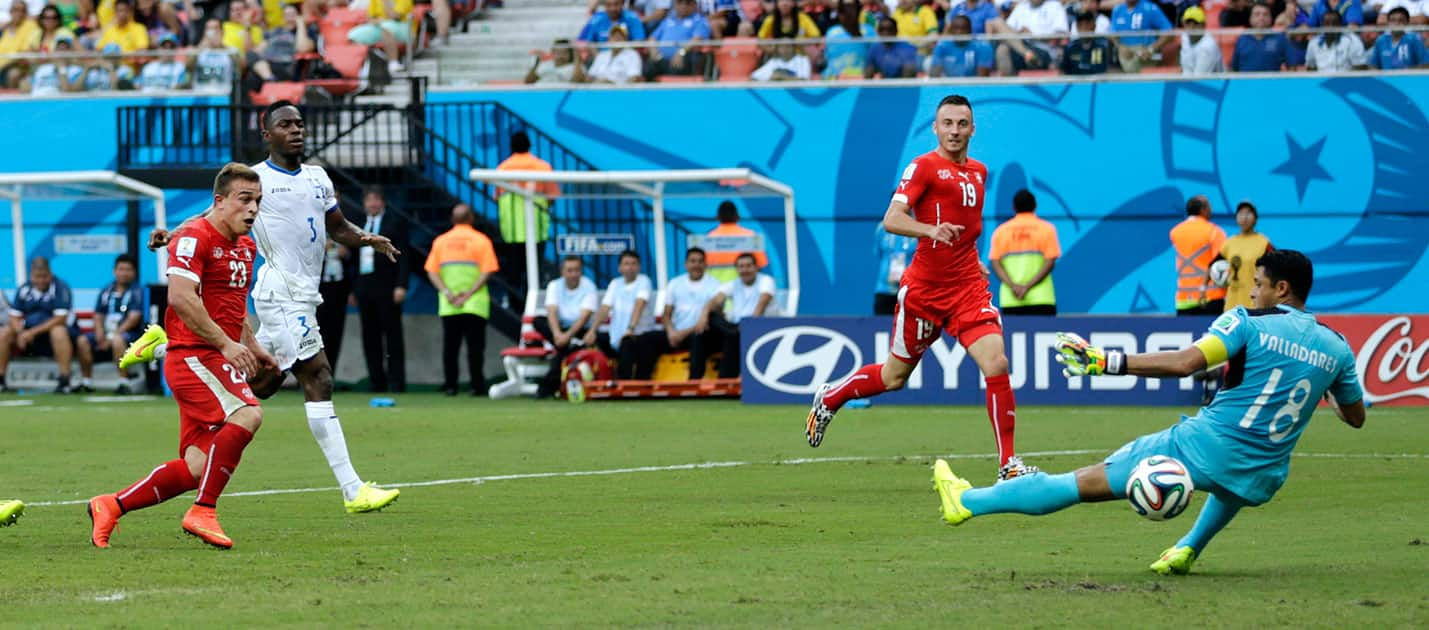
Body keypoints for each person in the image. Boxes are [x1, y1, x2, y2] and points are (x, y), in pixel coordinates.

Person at [932, 249, 1366, 576]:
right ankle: (1188, 549)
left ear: (1281, 289)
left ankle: (967, 501)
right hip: (1264, 473)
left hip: (1200, 448)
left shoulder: (1247, 322)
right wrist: (1319, 389)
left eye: (1258, 283)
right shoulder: (1336, 348)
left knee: (1077, 483)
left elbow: (1187, 363)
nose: (1251, 291)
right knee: (1230, 482)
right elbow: (1356, 417)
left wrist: (1107, 362)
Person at [131, 101, 401, 514]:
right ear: (267, 134)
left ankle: (166, 344)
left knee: (268, 379)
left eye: (299, 123)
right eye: (285, 124)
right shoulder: (257, 180)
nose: (295, 130)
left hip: (306, 294)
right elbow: (211, 216)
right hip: (281, 292)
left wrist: (369, 239)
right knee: (319, 376)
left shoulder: (317, 177)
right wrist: (172, 236)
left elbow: (338, 228)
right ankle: (353, 490)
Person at [806, 95, 1038, 481]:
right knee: (894, 377)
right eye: (947, 123)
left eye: (962, 123)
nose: (954, 131)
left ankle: (1008, 465)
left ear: (973, 129)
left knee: (996, 363)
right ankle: (832, 395)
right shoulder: (923, 167)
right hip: (925, 293)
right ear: (935, 127)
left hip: (966, 289)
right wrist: (929, 230)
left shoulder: (979, 172)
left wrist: (972, 258)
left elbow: (965, 230)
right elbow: (893, 218)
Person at [87, 163, 274, 550]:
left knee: (198, 467)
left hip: (212, 357)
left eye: (257, 200)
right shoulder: (194, 237)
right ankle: (203, 510)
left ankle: (111, 505)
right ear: (219, 202)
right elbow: (181, 297)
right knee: (248, 413)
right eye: (244, 200)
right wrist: (226, 345)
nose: (253, 209)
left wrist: (251, 345)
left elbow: (232, 307)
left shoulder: (246, 244)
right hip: (193, 355)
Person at [425, 204, 499, 396]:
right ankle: (477, 386)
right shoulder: (481, 240)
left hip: (449, 304)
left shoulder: (441, 241)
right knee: (475, 348)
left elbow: (432, 272)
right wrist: (468, 294)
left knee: (450, 348)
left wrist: (448, 293)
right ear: (471, 218)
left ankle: (451, 385)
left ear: (452, 219)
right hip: (475, 302)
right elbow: (487, 270)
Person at [353, 186, 411, 393]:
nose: (372, 204)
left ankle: (397, 382)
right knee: (370, 337)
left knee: (393, 336)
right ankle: (377, 381)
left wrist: (401, 285)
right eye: (369, 200)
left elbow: (404, 257)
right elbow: (353, 258)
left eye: (376, 199)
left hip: (387, 287)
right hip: (364, 287)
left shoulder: (395, 223)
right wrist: (353, 289)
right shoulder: (358, 224)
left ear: (383, 202)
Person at [495, 131, 559, 311]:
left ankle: (515, 306)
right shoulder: (542, 167)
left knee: (513, 272)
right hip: (537, 227)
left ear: (512, 147)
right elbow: (552, 197)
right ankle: (533, 307)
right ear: (530, 146)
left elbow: (498, 196)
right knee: (535, 272)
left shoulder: (503, 168)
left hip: (512, 230)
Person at [694, 252, 778, 378]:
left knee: (732, 336)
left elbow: (761, 306)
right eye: (741, 266)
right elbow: (715, 300)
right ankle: (695, 378)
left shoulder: (766, 281)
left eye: (748, 266)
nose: (745, 270)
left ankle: (726, 379)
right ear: (737, 269)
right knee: (705, 328)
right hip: (736, 329)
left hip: (761, 329)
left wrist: (746, 327)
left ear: (756, 267)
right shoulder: (733, 284)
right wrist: (704, 314)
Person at [0, 257, 75, 394]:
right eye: (37, 276)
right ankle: (1, 379)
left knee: (58, 331)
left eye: (44, 276)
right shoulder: (24, 289)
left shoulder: (61, 288)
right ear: (31, 275)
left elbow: (60, 319)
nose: (41, 280)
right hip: (30, 338)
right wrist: (21, 332)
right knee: (4, 333)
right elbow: (14, 316)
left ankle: (65, 380)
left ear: (50, 274)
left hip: (54, 335)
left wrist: (31, 333)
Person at [584, 249, 660, 379]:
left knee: (628, 342)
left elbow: (639, 305)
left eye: (634, 264)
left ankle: (624, 383)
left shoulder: (643, 281)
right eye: (626, 264)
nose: (630, 267)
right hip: (617, 336)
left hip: (639, 334)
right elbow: (604, 308)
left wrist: (630, 328)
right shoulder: (615, 283)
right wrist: (592, 330)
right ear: (620, 267)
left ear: (639, 267)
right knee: (595, 338)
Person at [75, 254, 145, 393]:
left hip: (131, 335)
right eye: (121, 269)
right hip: (106, 334)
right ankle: (86, 382)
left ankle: (124, 383)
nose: (124, 273)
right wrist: (100, 333)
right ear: (114, 271)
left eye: (128, 270)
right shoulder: (106, 290)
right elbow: (98, 315)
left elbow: (134, 318)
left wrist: (112, 336)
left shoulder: (138, 292)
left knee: (118, 340)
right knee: (82, 340)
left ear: (134, 272)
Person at [988, 189, 1060, 316]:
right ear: (1035, 205)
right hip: (1041, 297)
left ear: (1014, 207)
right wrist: (1027, 287)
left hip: (1011, 298)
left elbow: (995, 263)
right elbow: (1050, 261)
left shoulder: (1001, 231)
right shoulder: (1046, 229)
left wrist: (1013, 287)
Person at [535, 256, 598, 398]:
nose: (573, 274)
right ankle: (570, 346)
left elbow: (583, 318)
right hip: (560, 331)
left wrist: (566, 337)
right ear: (562, 272)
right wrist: (558, 335)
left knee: (563, 349)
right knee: (538, 321)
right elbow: (551, 311)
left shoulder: (589, 286)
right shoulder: (554, 285)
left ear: (581, 271)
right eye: (570, 270)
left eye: (576, 270)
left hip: (579, 330)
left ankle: (546, 388)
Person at [657, 247, 724, 379]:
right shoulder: (675, 283)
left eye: (700, 261)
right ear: (686, 264)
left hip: (704, 334)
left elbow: (713, 317)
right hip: (676, 334)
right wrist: (671, 333)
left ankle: (694, 384)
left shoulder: (716, 285)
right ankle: (641, 383)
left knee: (698, 338)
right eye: (693, 261)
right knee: (646, 340)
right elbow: (666, 314)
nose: (696, 265)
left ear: (705, 265)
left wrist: (682, 334)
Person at [1171, 194, 1228, 315]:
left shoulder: (1176, 232)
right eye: (1209, 206)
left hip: (1184, 298)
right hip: (1210, 297)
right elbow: (1221, 262)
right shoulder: (1214, 232)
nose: (1211, 210)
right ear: (1203, 209)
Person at [1220, 201, 1273, 312]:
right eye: (1241, 214)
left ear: (1255, 218)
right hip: (1231, 306)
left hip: (1255, 305)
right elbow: (1214, 266)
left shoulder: (1264, 242)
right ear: (1236, 218)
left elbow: (1275, 270)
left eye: (1248, 213)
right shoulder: (1229, 243)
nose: (1244, 218)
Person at [704, 200, 768, 283]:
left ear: (718, 217)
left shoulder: (708, 239)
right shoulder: (751, 236)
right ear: (738, 216)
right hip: (743, 290)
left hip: (716, 291)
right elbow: (760, 266)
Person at [648, 0, 711, 77]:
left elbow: (697, 39)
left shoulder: (700, 21)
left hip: (685, 58)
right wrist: (653, 51)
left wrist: (681, 53)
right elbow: (652, 38)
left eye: (688, 3)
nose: (683, 6)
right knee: (648, 68)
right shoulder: (668, 20)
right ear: (675, 5)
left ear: (694, 5)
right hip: (661, 59)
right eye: (680, 2)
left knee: (677, 67)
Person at [316, 239, 351, 374]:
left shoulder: (343, 229)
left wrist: (346, 254)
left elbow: (354, 258)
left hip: (339, 288)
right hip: (317, 288)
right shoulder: (312, 227)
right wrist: (320, 248)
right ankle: (311, 375)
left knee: (335, 333)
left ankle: (329, 374)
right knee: (315, 333)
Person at [1110, 0, 1172, 72]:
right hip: (1124, 57)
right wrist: (1120, 46)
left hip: (1145, 57)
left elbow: (1169, 31)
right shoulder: (1117, 9)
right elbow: (1112, 34)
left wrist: (1151, 49)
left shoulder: (1149, 8)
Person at [873, 219, 916, 315]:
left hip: (908, 290)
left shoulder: (918, 228)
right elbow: (878, 253)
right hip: (884, 289)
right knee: (881, 325)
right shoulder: (882, 227)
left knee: (906, 326)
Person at [1230, 3, 1289, 72]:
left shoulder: (1280, 38)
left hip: (1271, 82)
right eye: (1257, 14)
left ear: (1271, 19)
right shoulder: (1241, 39)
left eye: (1265, 14)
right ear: (1250, 19)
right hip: (1246, 82)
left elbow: (1292, 66)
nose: (1261, 18)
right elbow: (1234, 69)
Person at [929, 15, 994, 77]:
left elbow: (981, 80)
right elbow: (934, 75)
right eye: (956, 28)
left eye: (963, 28)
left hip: (973, 87)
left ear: (970, 30)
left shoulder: (983, 47)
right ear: (951, 30)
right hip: (950, 86)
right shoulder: (942, 47)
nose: (959, 32)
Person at [1061, 10, 1117, 74]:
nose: (1084, 28)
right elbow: (1063, 71)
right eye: (1080, 24)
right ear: (1077, 27)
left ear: (1094, 26)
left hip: (1098, 82)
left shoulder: (1104, 47)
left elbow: (1110, 70)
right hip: (1075, 83)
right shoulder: (1069, 48)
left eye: (1087, 24)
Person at [1179, 6, 1224, 74]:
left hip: (1213, 83)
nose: (1191, 27)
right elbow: (1185, 69)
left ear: (1204, 25)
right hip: (1191, 81)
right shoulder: (1185, 37)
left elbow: (1199, 78)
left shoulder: (1208, 47)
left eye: (1196, 23)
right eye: (1188, 23)